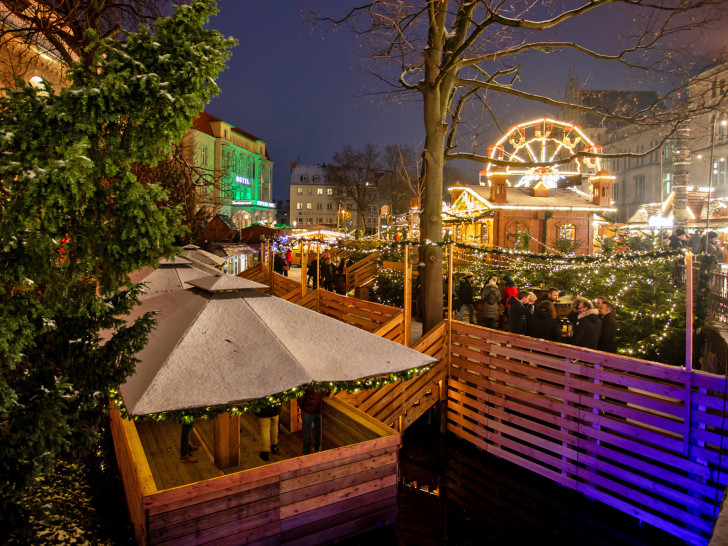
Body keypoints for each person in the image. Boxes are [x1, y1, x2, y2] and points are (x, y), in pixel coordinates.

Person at [299, 387, 330, 455]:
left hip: (307, 410)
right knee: (318, 430)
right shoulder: (323, 382)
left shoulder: (307, 382)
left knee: (307, 432)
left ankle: (306, 451)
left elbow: (300, 396)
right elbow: (328, 392)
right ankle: (317, 448)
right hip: (319, 409)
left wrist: (302, 406)